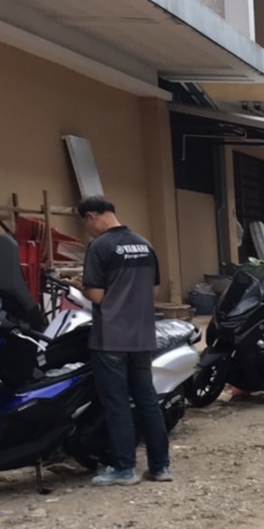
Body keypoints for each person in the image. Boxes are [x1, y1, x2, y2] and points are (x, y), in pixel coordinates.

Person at [78, 195, 170, 486]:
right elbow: (154, 291)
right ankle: (160, 467)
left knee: (117, 403)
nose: (88, 229)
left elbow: (97, 295)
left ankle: (124, 468)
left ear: (92, 217)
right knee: (148, 401)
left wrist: (80, 287)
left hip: (111, 338)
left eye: (86, 223)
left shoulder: (100, 246)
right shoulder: (145, 244)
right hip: (142, 335)